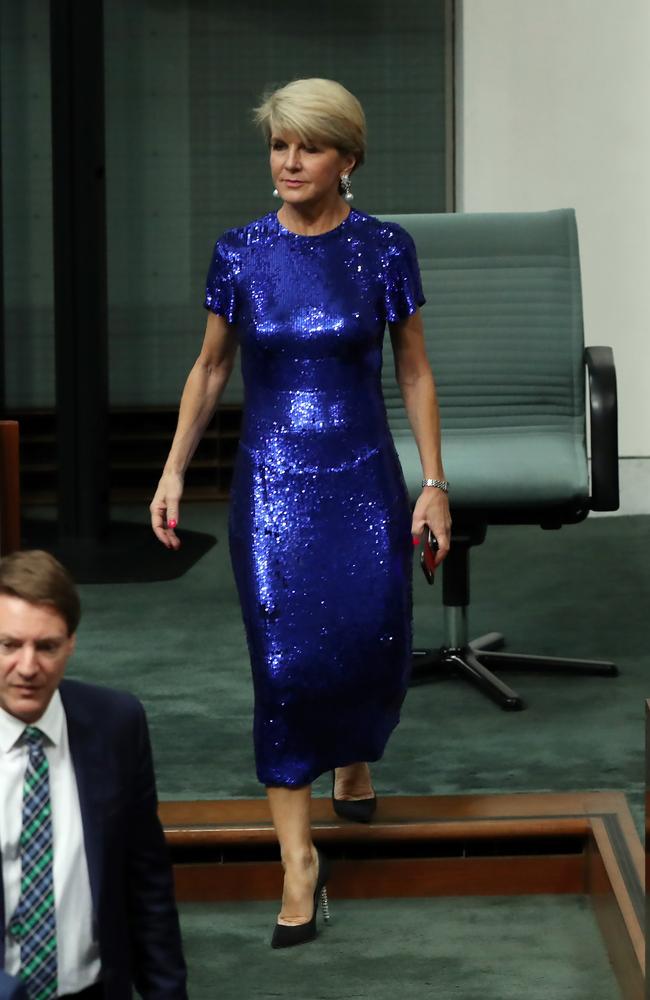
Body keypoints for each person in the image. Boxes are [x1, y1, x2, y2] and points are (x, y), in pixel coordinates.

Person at [149, 77, 451, 948]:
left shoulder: (384, 250)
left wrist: (434, 481)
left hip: (362, 480)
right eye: (278, 145)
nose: (288, 162)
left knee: (368, 639)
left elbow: (416, 369)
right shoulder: (240, 252)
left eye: (308, 147)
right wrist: (170, 473)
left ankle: (353, 760)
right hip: (274, 489)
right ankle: (299, 862)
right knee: (284, 664)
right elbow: (210, 371)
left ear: (347, 159)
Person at [0, 550, 188, 999]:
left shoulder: (116, 725)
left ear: (71, 645)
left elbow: (147, 886)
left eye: (46, 646)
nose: (28, 668)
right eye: (9, 645)